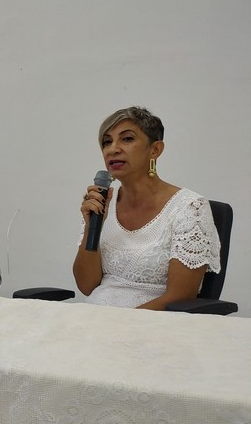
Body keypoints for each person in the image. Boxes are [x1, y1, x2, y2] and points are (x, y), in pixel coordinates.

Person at [73, 106, 221, 310]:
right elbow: (87, 286)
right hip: (95, 316)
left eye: (127, 139)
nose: (113, 149)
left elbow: (180, 297)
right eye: (107, 142)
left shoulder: (190, 208)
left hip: (151, 323)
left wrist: (118, 323)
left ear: (155, 150)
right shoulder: (101, 203)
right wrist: (92, 226)